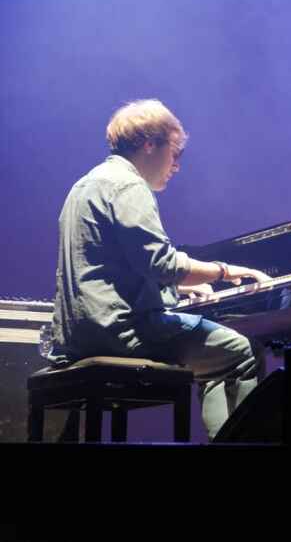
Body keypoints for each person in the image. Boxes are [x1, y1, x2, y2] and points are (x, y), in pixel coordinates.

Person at [50, 99, 271, 440]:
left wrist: (179, 287)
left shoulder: (85, 185)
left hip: (79, 336)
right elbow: (162, 263)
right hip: (122, 335)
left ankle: (224, 442)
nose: (176, 165)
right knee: (243, 353)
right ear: (149, 144)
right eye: (175, 152)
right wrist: (224, 270)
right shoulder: (128, 185)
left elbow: (113, 267)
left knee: (216, 359)